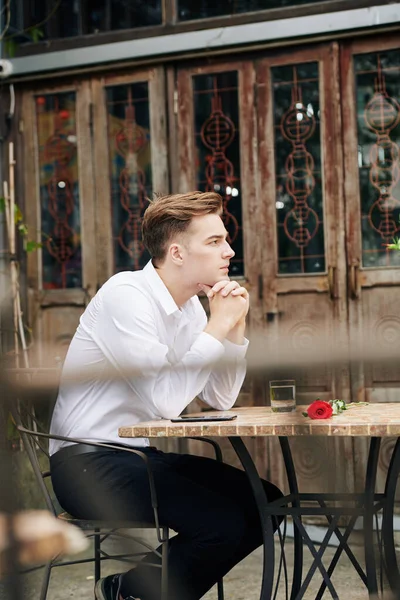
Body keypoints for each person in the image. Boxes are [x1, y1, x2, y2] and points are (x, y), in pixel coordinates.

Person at [49, 191, 282, 600]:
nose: (229, 251)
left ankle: (130, 589)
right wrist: (216, 327)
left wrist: (235, 328)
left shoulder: (191, 309)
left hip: (136, 456)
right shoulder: (126, 296)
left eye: (225, 239)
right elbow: (166, 402)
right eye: (214, 242)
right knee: (222, 523)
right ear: (176, 252)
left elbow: (221, 399)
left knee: (266, 502)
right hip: (86, 465)